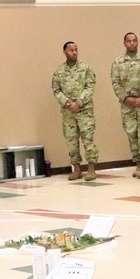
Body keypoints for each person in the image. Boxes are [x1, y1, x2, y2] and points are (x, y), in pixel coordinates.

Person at [111, 32, 140, 179]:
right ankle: (137, 162)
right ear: (124, 43)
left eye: (134, 40)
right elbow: (116, 83)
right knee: (132, 133)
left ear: (138, 42)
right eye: (129, 41)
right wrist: (126, 98)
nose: (132, 43)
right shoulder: (118, 62)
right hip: (127, 105)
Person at [51, 41, 98, 181]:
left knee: (88, 139)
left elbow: (90, 87)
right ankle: (76, 169)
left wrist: (79, 102)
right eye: (71, 50)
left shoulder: (86, 68)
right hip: (68, 112)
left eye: (76, 49)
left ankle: (91, 169)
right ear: (64, 52)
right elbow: (56, 90)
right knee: (71, 141)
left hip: (84, 111)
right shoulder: (59, 71)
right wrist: (68, 102)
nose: (74, 52)